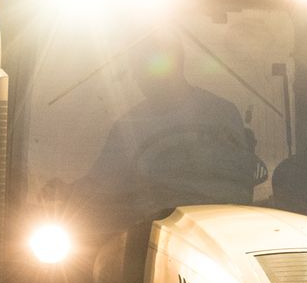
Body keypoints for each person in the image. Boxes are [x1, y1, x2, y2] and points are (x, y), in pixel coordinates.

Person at [71, 25, 261, 231]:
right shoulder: (128, 127)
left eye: (152, 67)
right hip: (144, 235)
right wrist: (65, 193)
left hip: (217, 230)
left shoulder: (220, 114)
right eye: (138, 69)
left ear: (178, 65)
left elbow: (236, 181)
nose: (142, 77)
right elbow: (101, 182)